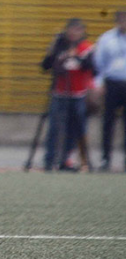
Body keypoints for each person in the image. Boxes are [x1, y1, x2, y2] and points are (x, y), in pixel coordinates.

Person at [40, 19, 95, 172]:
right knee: (54, 128)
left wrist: (76, 57)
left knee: (75, 128)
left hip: (78, 94)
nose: (73, 33)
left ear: (82, 32)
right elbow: (45, 66)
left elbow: (91, 66)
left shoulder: (86, 47)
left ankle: (66, 160)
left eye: (77, 30)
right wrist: (53, 52)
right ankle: (49, 160)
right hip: (59, 93)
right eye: (71, 29)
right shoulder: (59, 46)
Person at [94, 9, 126, 171]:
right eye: (122, 19)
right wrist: (99, 83)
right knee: (108, 123)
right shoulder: (107, 39)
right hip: (112, 83)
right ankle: (105, 158)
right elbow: (99, 63)